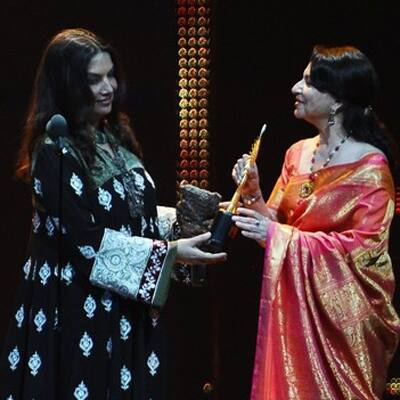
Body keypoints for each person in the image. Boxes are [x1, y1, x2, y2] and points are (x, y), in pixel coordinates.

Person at [0, 28, 226, 399]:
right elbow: (85, 241)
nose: (108, 87)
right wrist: (170, 253)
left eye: (110, 75)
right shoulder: (54, 150)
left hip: (122, 307)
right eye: (94, 79)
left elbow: (131, 216)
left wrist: (190, 226)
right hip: (75, 309)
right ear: (67, 84)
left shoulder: (114, 137)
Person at [231, 45, 400, 399]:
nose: (295, 87)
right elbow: (273, 224)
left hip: (342, 322)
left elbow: (365, 251)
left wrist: (282, 237)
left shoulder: (371, 168)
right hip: (295, 310)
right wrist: (253, 192)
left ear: (337, 100)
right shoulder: (297, 153)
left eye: (308, 82)